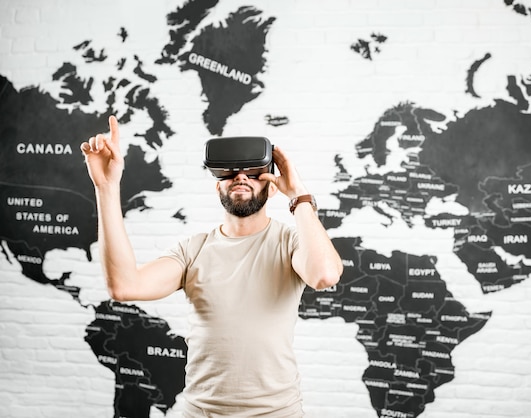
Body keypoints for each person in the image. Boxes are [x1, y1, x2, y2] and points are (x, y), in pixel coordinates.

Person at [80, 116, 343, 417]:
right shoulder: (193, 249)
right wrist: (106, 187)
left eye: (254, 173)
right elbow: (124, 286)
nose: (241, 177)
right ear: (217, 188)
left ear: (272, 189)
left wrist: (299, 196)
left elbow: (324, 274)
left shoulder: (291, 243)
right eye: (230, 173)